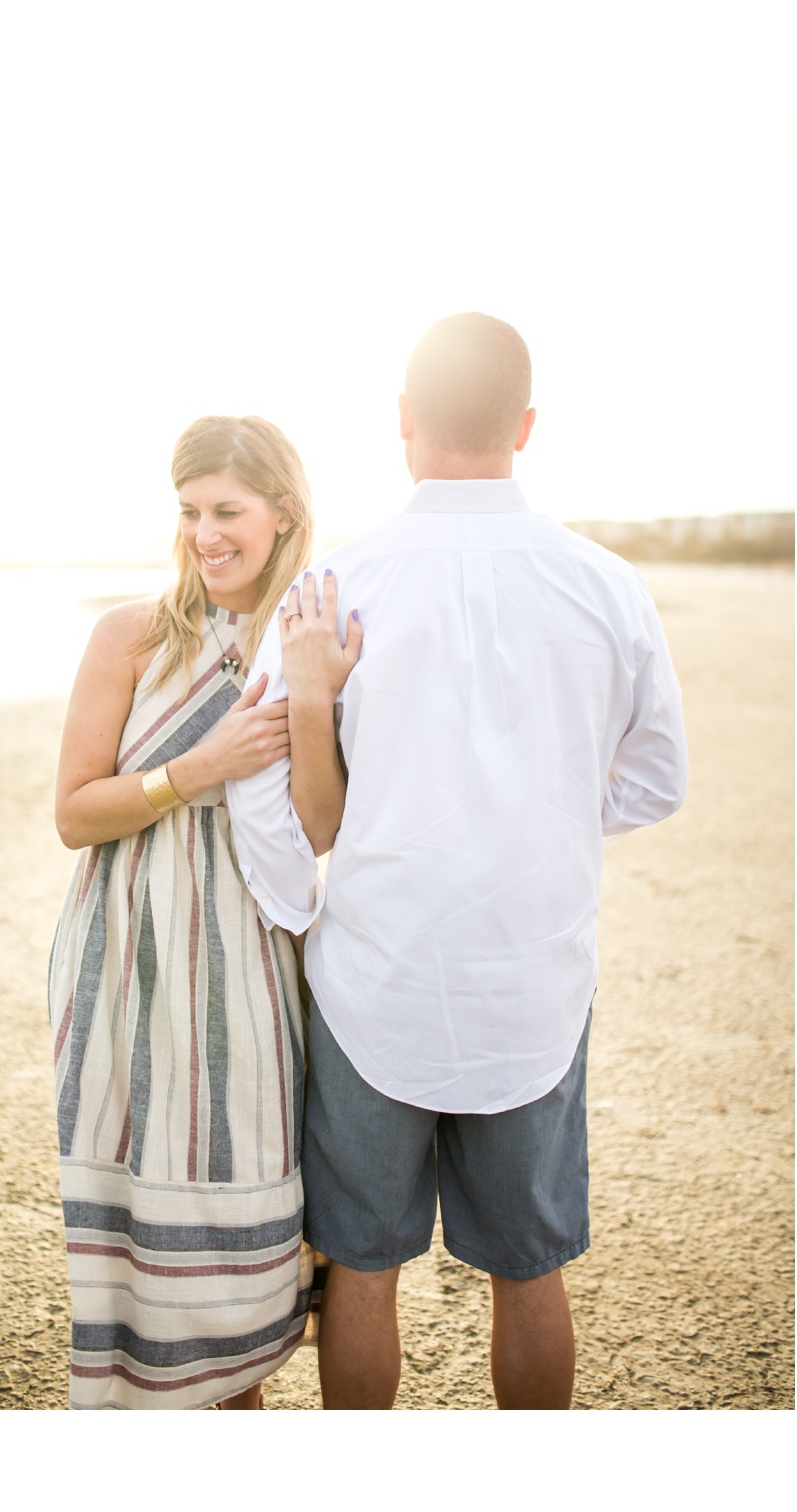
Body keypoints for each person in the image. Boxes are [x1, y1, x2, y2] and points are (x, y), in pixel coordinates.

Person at [225, 313, 688, 1409]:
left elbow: (260, 786)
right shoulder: (605, 584)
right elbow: (656, 779)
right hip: (532, 975)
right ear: (524, 425)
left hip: (373, 975)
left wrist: (294, 899)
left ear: (400, 423)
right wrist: (539, 824)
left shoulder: (336, 582)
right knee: (530, 1268)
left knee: (365, 1268)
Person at [47, 413, 343, 1409]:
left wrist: (308, 701)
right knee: (148, 1236)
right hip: (125, 955)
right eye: (186, 512)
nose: (204, 533)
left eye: (225, 511)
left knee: (248, 1216)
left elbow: (323, 822)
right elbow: (72, 815)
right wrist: (193, 771)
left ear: (281, 513)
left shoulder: (308, 640)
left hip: (255, 952)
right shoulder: (127, 635)